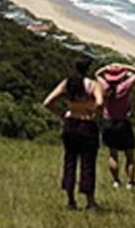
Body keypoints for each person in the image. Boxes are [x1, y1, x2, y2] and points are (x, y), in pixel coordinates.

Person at [42, 57, 104, 211]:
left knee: (70, 161)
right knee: (88, 163)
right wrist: (95, 115)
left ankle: (70, 200)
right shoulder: (92, 85)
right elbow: (100, 103)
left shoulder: (67, 83)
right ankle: (90, 201)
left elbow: (48, 102)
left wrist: (63, 113)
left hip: (70, 124)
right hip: (87, 125)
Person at [95, 63, 135, 189]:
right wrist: (124, 67)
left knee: (112, 154)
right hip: (123, 122)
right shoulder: (124, 87)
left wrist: (106, 68)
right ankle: (131, 183)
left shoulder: (104, 87)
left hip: (108, 122)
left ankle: (116, 181)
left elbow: (96, 74)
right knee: (130, 155)